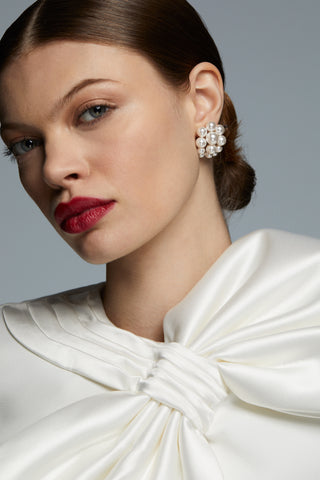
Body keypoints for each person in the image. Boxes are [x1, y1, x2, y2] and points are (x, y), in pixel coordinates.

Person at [0, 0, 319, 478]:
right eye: (25, 143)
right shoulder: (11, 359)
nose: (53, 167)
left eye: (94, 111)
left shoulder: (305, 320)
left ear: (202, 101)